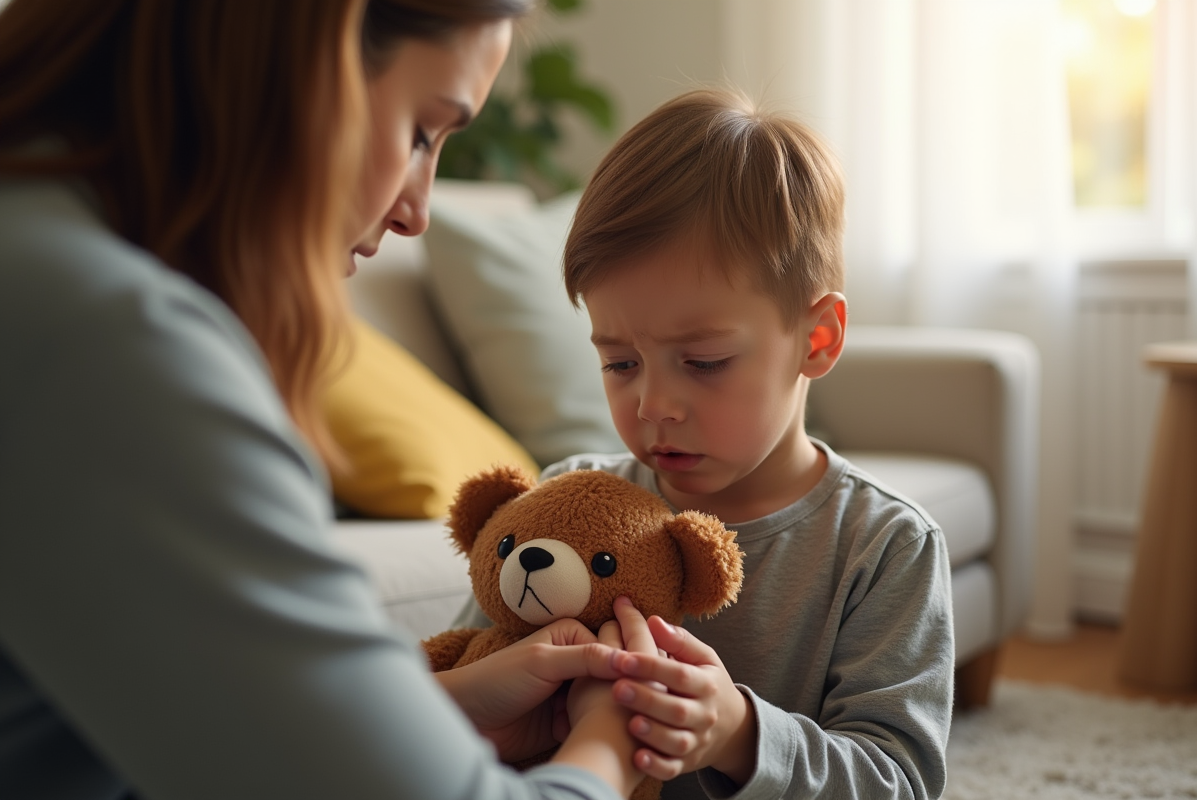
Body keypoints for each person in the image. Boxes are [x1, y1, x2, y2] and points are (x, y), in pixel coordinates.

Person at [0, 1, 657, 798]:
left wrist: (436, 710)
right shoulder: (106, 346)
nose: (417, 211)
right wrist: (608, 739)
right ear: (299, 64)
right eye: (421, 132)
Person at [456, 87, 956, 800]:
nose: (652, 405)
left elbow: (899, 781)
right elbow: (442, 694)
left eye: (704, 362)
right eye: (619, 362)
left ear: (817, 339)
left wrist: (739, 734)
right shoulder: (566, 502)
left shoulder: (883, 546)